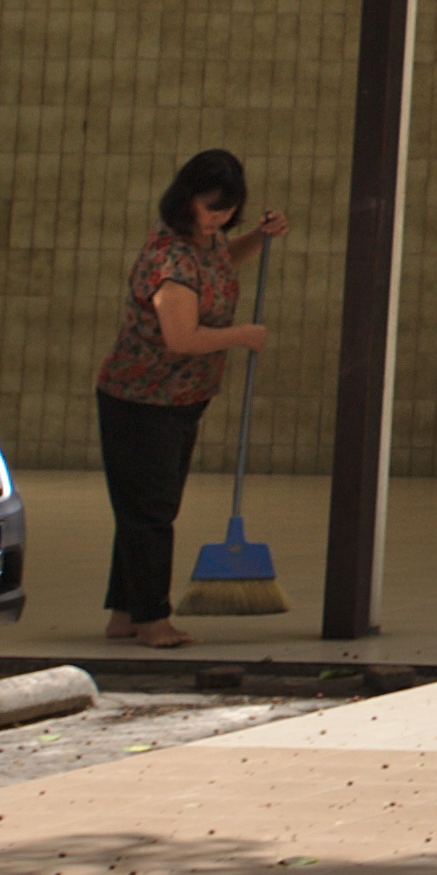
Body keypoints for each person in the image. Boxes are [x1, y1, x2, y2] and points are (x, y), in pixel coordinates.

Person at [94, 150, 283, 648]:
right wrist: (242, 335)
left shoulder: (207, 241)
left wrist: (258, 238)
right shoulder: (170, 260)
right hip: (141, 399)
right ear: (187, 198)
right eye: (211, 206)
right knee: (151, 511)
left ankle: (125, 614)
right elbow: (181, 337)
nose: (219, 217)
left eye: (228, 209)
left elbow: (220, 261)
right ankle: (153, 620)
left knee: (144, 508)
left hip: (180, 398)